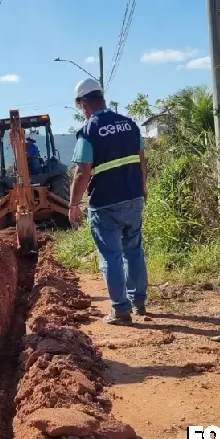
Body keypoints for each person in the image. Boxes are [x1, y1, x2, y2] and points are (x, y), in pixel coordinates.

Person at [67, 78, 149, 326]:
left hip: (105, 204)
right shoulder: (129, 125)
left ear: (82, 104)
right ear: (102, 97)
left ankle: (121, 310)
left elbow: (82, 172)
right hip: (134, 197)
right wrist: (142, 189)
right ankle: (139, 302)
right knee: (134, 251)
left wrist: (72, 205)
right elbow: (142, 160)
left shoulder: (89, 131)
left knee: (111, 256)